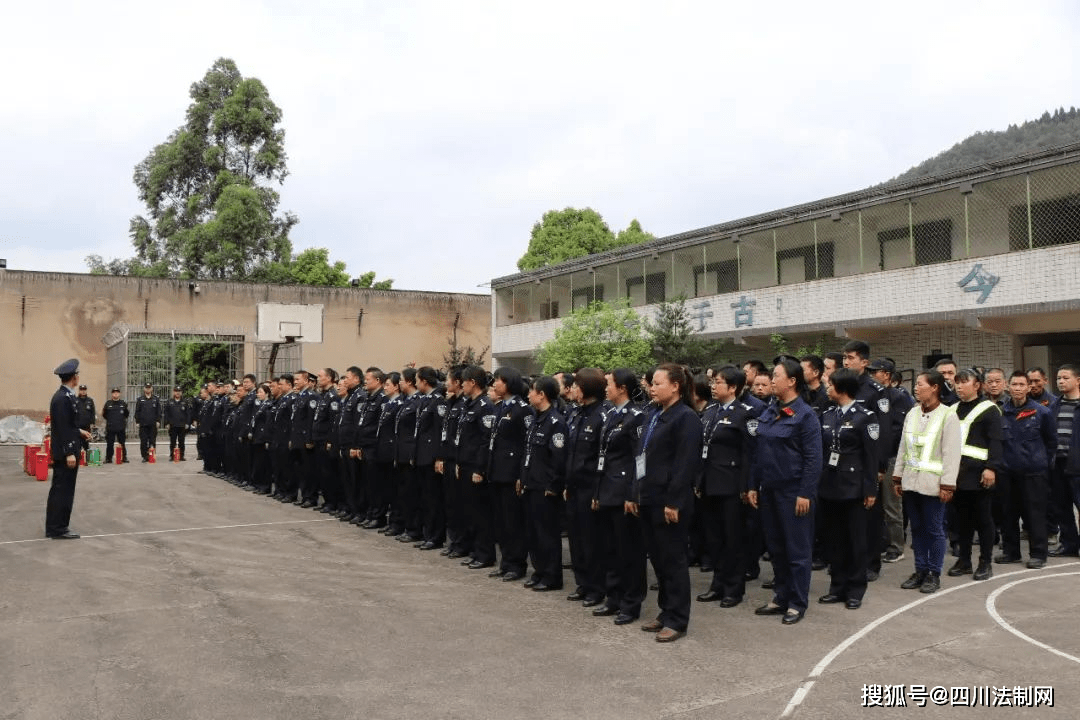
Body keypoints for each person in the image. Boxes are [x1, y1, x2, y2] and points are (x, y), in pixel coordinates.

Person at [627, 363, 702, 643]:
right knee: (658, 561)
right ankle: (665, 611)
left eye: (658, 383)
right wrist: (636, 493)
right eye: (651, 383)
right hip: (648, 497)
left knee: (673, 561)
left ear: (676, 386)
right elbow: (641, 457)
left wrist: (674, 502)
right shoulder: (654, 414)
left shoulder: (686, 418)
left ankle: (678, 619)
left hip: (669, 502)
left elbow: (685, 465)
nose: (652, 387)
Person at [748, 358, 823, 625]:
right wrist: (753, 485)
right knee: (777, 548)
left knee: (797, 550)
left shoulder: (805, 415)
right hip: (769, 490)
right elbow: (759, 452)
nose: (771, 381)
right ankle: (781, 596)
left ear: (792, 381)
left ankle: (796, 602)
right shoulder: (770, 411)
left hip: (793, 492)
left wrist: (806, 492)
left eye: (776, 376)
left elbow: (814, 459)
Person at [892, 369, 961, 594]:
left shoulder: (948, 415)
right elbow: (903, 447)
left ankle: (933, 572)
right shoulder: (912, 413)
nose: (916, 387)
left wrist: (947, 484)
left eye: (921, 384)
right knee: (918, 529)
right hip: (911, 483)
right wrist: (898, 476)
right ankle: (920, 569)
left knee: (934, 530)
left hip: (933, 486)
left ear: (934, 387)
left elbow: (952, 454)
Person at [816, 369, 878, 610]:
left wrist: (870, 490)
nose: (827, 389)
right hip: (830, 487)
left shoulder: (865, 416)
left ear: (842, 388)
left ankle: (855, 589)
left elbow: (871, 458)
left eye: (830, 385)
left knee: (855, 541)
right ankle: (837, 586)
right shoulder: (828, 414)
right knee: (834, 540)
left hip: (854, 488)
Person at [590, 368, 648, 625]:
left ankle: (630, 602)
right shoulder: (611, 414)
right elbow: (603, 458)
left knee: (629, 552)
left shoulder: (636, 417)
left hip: (624, 492)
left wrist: (633, 493)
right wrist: (597, 492)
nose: (605, 388)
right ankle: (613, 597)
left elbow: (640, 459)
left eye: (609, 384)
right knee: (610, 550)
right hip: (606, 491)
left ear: (622, 388)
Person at [695, 365, 754, 608]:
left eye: (718, 382)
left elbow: (750, 454)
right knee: (714, 539)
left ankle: (733, 588)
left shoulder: (745, 414)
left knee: (733, 539)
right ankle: (717, 584)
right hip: (709, 484)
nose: (713, 386)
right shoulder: (709, 411)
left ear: (733, 387)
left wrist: (746, 486)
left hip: (731, 486)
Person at [996, 371, 1055, 569]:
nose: (1018, 388)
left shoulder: (1042, 412)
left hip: (1033, 473)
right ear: (1008, 387)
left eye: (1022, 384)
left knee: (1035, 514)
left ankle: (1038, 554)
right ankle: (1011, 552)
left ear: (1029, 388)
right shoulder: (1000, 412)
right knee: (1008, 513)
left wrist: (1043, 465)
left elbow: (1051, 442)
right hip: (1007, 472)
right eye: (1015, 384)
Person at [948, 368, 1002, 581]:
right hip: (957, 474)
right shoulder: (952, 409)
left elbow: (996, 441)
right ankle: (964, 560)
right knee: (962, 520)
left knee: (983, 519)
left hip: (980, 473)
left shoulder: (989, 409)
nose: (959, 386)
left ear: (977, 385)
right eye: (956, 383)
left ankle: (985, 562)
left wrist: (991, 468)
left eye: (964, 382)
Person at [564, 368, 609, 606]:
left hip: (591, 486)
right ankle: (583, 583)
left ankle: (596, 587)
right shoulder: (576, 414)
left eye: (577, 386)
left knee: (592, 541)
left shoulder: (602, 416)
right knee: (577, 538)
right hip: (574, 485)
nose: (572, 390)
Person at [521, 376, 568, 592]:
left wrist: (553, 485)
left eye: (532, 391)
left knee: (546, 534)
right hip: (531, 483)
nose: (529, 395)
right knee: (532, 532)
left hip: (545, 488)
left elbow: (558, 460)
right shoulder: (536, 419)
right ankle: (539, 571)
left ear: (542, 395)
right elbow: (529, 454)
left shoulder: (556, 422)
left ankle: (551, 576)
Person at [486, 366, 530, 580]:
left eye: (499, 380)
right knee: (501, 521)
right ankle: (505, 562)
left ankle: (516, 564)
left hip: (512, 473)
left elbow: (526, 444)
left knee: (513, 522)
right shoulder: (500, 406)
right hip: (497, 470)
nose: (495, 384)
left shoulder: (522, 409)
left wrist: (522, 475)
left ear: (509, 382)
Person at [868, 358, 914, 564]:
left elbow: (897, 429)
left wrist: (883, 451)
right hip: (873, 456)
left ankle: (897, 545)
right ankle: (882, 542)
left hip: (892, 456)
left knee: (891, 504)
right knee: (875, 504)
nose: (871, 375)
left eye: (874, 372)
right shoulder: (872, 396)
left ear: (886, 374)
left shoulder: (898, 397)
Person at [45, 359, 90, 539]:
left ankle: (56, 525)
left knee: (62, 489)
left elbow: (67, 425)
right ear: (74, 377)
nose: (78, 378)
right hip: (66, 453)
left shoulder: (66, 396)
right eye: (77, 375)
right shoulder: (63, 398)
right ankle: (58, 528)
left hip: (67, 448)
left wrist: (79, 431)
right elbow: (63, 428)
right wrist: (70, 452)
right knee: (62, 490)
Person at [1050, 364, 1080, 557]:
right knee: (1062, 508)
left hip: (1078, 465)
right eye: (1059, 378)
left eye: (1065, 378)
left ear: (1078, 380)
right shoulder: (1054, 406)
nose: (1061, 381)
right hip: (1057, 464)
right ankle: (1069, 545)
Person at [134, 382, 162, 462]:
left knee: (152, 441)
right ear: (144, 389)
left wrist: (158, 421)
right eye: (146, 388)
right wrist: (137, 421)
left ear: (152, 389)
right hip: (143, 424)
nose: (148, 389)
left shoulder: (155, 399)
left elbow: (158, 411)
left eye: (149, 388)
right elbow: (137, 411)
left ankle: (151, 456)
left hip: (153, 424)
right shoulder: (140, 399)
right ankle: (144, 456)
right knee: (143, 442)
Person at [101, 387, 129, 463]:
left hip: (120, 427)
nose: (115, 393)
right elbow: (104, 414)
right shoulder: (108, 403)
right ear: (112, 394)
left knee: (122, 443)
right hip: (111, 427)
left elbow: (126, 414)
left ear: (119, 394)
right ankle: (108, 458)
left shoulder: (123, 403)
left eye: (117, 392)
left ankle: (124, 458)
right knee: (109, 444)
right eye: (114, 392)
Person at [164, 386, 190, 461]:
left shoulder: (185, 402)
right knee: (172, 442)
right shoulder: (169, 402)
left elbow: (188, 414)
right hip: (172, 425)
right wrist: (167, 423)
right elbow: (166, 414)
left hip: (182, 425)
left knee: (182, 442)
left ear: (181, 392)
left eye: (179, 391)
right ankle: (172, 456)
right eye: (176, 391)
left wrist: (187, 423)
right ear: (173, 392)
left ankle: (181, 456)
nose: (177, 392)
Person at [74, 384, 96, 455]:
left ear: (86, 391)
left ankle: (88, 458)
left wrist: (93, 423)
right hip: (78, 426)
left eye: (84, 390)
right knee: (78, 443)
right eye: (81, 390)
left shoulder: (90, 400)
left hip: (86, 426)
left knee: (86, 443)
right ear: (79, 391)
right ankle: (78, 458)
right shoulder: (75, 400)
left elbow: (93, 412)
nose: (83, 392)